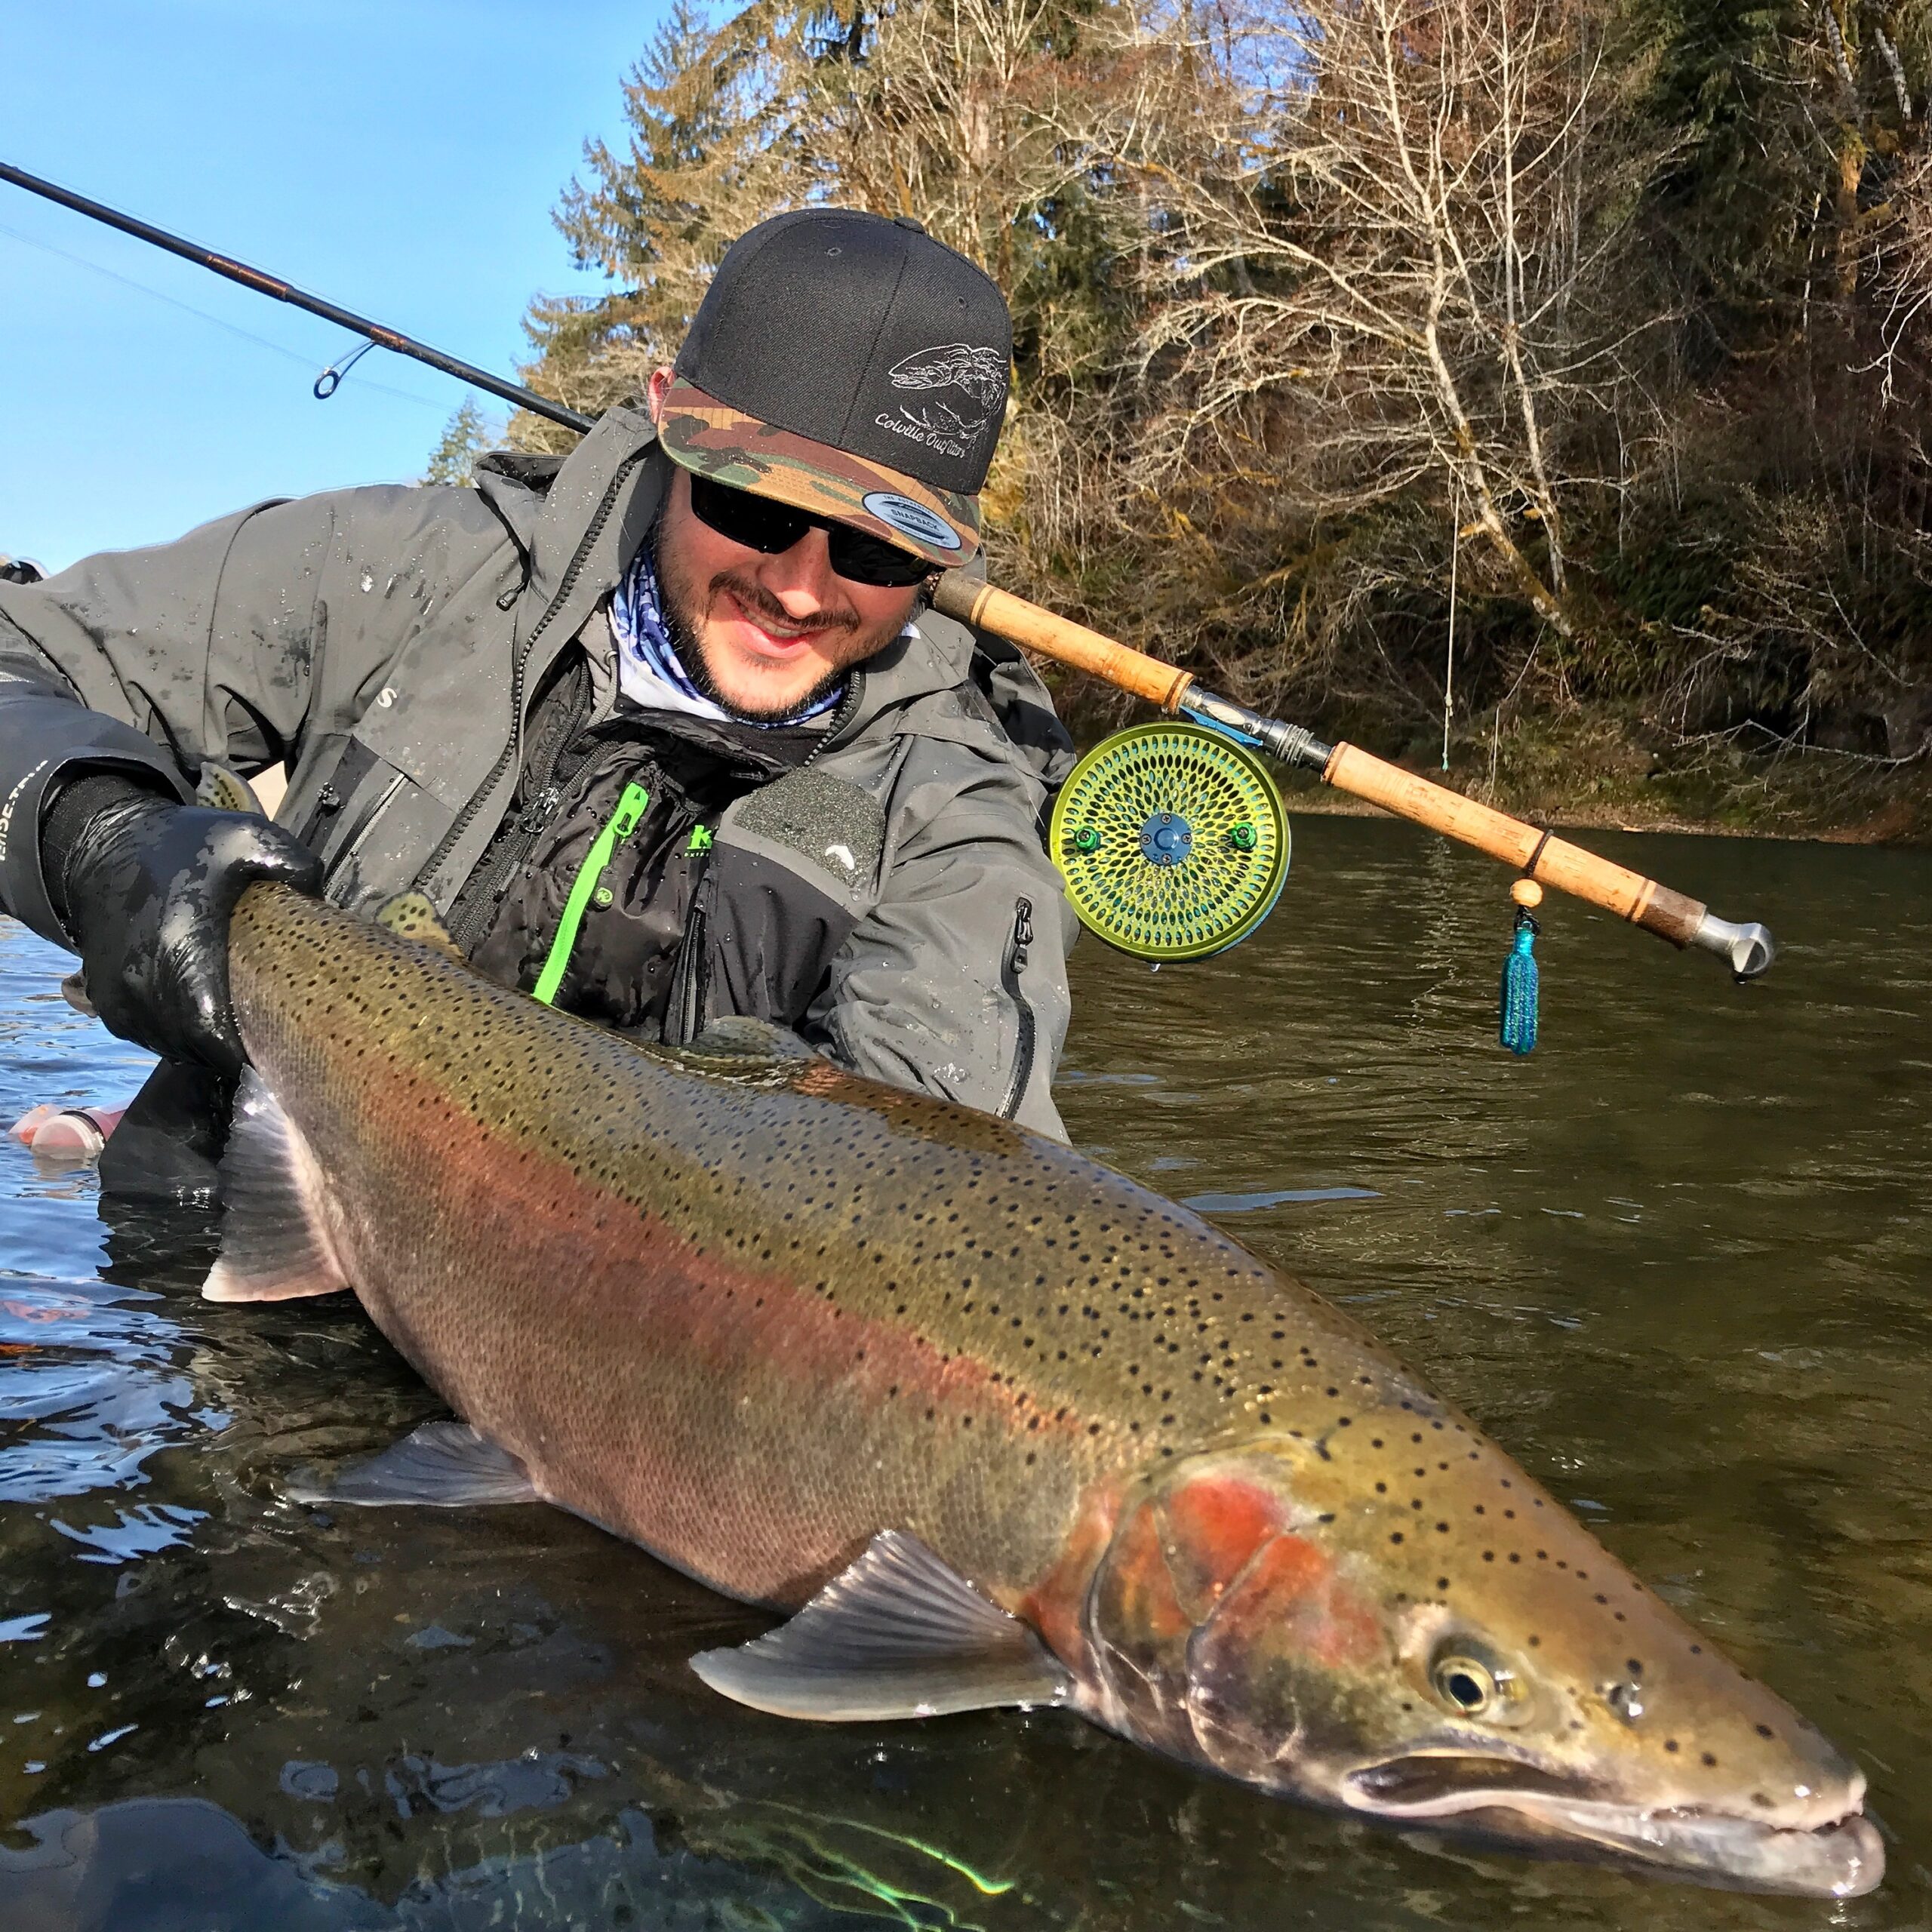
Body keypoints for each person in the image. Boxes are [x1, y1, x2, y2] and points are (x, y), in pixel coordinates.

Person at [0, 210, 1076, 1200]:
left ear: (946, 553)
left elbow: (936, 1188)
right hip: (224, 1240)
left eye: (878, 544)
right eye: (753, 502)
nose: (799, 587)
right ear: (665, 418)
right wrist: (101, 839)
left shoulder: (957, 818)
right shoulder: (408, 575)